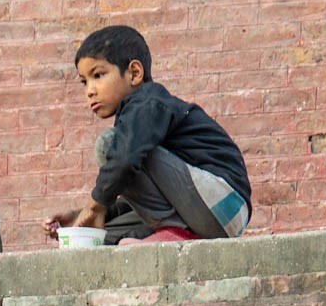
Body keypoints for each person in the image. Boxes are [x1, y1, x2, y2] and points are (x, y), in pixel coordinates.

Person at [44, 25, 252, 246]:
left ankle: (175, 232)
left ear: (134, 73)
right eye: (85, 81)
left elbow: (124, 160)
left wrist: (94, 206)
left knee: (110, 145)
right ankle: (169, 232)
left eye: (98, 75)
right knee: (103, 234)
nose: (90, 90)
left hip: (221, 201)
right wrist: (82, 216)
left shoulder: (148, 101)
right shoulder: (137, 120)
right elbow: (141, 199)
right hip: (214, 212)